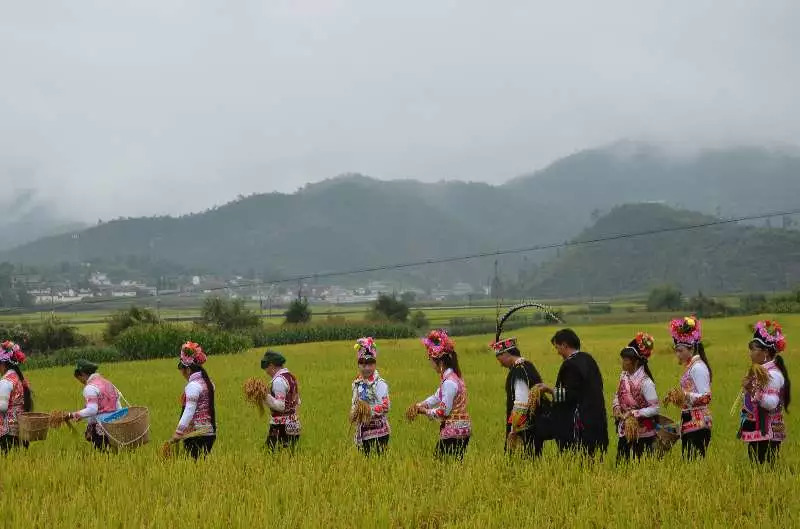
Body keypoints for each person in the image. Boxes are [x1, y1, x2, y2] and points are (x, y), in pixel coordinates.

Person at [537, 328, 608, 457]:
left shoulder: (570, 365)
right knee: (593, 458)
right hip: (596, 418)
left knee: (579, 459)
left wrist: (548, 390)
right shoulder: (588, 359)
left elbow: (570, 395)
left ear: (564, 345)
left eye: (557, 347)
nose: (558, 352)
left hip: (580, 423)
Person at [738, 320, 790, 464]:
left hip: (768, 433)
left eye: (753, 349)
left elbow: (772, 403)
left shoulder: (773, 374)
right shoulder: (759, 371)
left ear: (765, 352)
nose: (750, 354)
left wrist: (751, 389)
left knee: (765, 470)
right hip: (757, 430)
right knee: (757, 471)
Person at [415, 329, 471, 460]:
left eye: (431, 360)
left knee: (441, 464)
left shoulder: (449, 382)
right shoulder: (453, 377)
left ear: (440, 362)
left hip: (454, 430)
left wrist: (425, 411)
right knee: (453, 464)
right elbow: (437, 396)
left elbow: (443, 412)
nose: (430, 364)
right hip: (462, 429)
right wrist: (420, 404)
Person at [491, 336, 544, 458]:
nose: (501, 365)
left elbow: (521, 403)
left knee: (519, 463)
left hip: (523, 429)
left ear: (506, 354)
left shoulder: (518, 370)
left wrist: (514, 431)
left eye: (500, 360)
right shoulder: (528, 365)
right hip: (535, 424)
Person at [668, 315, 712, 460]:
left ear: (691, 348)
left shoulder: (698, 368)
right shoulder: (691, 367)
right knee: (689, 463)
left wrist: (684, 395)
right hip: (690, 422)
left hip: (698, 424)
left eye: (680, 350)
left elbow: (706, 397)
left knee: (694, 463)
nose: (677, 354)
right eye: (676, 350)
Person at [611, 333, 659, 462]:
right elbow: (617, 394)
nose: (623, 363)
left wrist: (634, 413)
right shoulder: (624, 376)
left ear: (636, 361)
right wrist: (616, 407)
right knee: (621, 465)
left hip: (643, 434)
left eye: (626, 360)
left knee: (642, 466)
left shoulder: (646, 382)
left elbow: (655, 408)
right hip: (625, 429)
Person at [170, 342, 217, 459]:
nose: (182, 374)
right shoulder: (208, 383)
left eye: (182, 370)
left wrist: (178, 432)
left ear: (188, 370)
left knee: (193, 466)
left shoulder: (193, 385)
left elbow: (189, 410)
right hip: (210, 433)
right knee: (202, 465)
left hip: (195, 434)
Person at [66, 359, 123, 450]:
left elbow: (92, 410)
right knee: (117, 454)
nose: (81, 382)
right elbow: (117, 405)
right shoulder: (108, 383)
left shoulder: (90, 387)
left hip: (101, 429)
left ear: (82, 374)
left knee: (104, 456)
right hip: (116, 426)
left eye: (79, 378)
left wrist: (72, 415)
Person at [349, 337, 390, 455]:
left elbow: (386, 407)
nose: (366, 368)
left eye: (369, 364)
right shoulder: (356, 383)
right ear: (358, 364)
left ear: (375, 364)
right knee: (365, 463)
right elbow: (354, 402)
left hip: (379, 432)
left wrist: (367, 410)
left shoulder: (380, 383)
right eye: (362, 364)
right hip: (363, 431)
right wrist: (354, 413)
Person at [261, 350, 301, 451]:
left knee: (270, 456)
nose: (266, 371)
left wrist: (264, 396)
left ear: (271, 366)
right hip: (294, 425)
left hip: (280, 427)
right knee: (289, 457)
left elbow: (280, 406)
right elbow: (298, 401)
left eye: (266, 368)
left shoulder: (279, 381)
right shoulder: (291, 377)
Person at [0, 341, 32, 453]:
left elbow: (3, 407)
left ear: (3, 364)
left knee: (8, 461)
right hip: (20, 427)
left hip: (7, 430)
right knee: (19, 461)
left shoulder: (6, 381)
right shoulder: (18, 379)